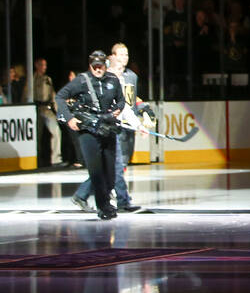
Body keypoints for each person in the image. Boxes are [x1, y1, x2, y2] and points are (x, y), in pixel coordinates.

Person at [73, 43, 156, 212]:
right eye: (121, 54)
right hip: (112, 125)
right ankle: (123, 199)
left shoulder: (132, 76)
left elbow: (130, 100)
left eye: (126, 54)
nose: (124, 58)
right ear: (112, 56)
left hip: (128, 123)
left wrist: (141, 111)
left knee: (117, 164)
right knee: (116, 165)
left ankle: (83, 194)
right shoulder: (107, 76)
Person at [55, 51, 125, 221]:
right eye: (94, 66)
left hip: (107, 128)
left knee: (110, 173)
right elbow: (60, 97)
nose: (98, 69)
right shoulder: (81, 80)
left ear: (105, 65)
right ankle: (103, 207)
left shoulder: (113, 80)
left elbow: (121, 100)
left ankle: (106, 201)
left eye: (100, 65)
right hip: (88, 131)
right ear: (90, 66)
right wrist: (70, 118)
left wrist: (118, 110)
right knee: (96, 172)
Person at [24, 57, 65, 166]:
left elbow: (53, 95)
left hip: (46, 108)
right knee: (36, 135)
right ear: (36, 65)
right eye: (42, 65)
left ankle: (56, 159)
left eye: (45, 65)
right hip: (36, 109)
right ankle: (36, 159)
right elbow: (26, 94)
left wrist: (58, 111)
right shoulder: (32, 79)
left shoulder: (47, 79)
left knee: (56, 131)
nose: (44, 68)